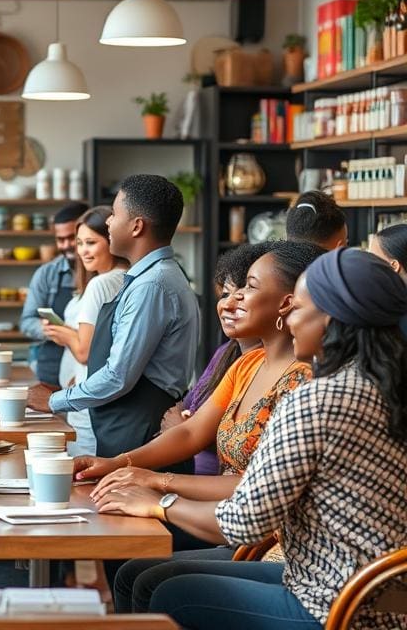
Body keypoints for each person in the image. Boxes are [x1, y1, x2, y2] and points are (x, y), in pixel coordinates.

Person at [100, 248, 407, 630]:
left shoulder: (317, 399)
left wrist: (156, 501)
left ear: (329, 320)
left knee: (170, 594)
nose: (289, 318)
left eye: (297, 308)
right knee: (147, 579)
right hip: (380, 596)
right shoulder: (384, 385)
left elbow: (243, 522)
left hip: (335, 603)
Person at [84, 240, 322, 611]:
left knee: (150, 580)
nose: (234, 298)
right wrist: (120, 463)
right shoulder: (248, 363)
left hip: (267, 539)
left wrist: (156, 483)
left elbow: (256, 486)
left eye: (250, 287)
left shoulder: (302, 381)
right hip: (233, 521)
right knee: (133, 572)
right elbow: (191, 433)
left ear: (289, 303)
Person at [28, 175, 198, 465]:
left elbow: (118, 376)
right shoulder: (149, 278)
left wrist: (54, 401)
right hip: (130, 426)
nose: (108, 222)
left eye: (115, 214)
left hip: (142, 432)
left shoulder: (151, 286)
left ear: (137, 226)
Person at [159, 242, 272, 477]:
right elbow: (186, 405)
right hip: (192, 476)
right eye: (226, 294)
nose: (229, 304)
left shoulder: (271, 366)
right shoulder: (226, 353)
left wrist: (190, 431)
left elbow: (244, 441)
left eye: (244, 293)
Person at [40, 206, 128, 455]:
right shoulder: (123, 279)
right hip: (89, 399)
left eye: (91, 242)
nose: (82, 251)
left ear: (111, 240)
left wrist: (64, 333)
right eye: (80, 243)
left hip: (86, 406)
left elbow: (84, 352)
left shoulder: (100, 285)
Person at [19, 201, 90, 387]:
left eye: (72, 238)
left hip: (89, 372)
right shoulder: (47, 273)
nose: (66, 245)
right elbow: (27, 321)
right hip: (51, 370)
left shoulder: (104, 276)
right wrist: (52, 330)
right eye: (60, 239)